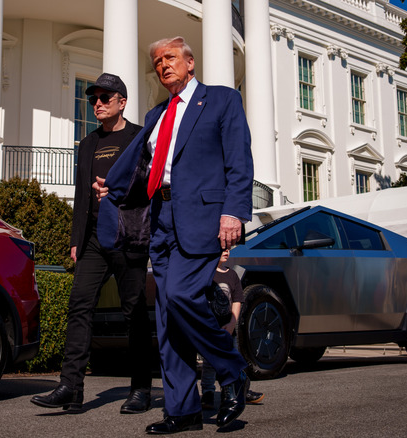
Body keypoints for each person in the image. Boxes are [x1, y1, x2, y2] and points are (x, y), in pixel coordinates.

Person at [94, 37, 254, 434]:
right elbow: (144, 167)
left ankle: (233, 370)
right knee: (168, 319)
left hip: (204, 217)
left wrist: (233, 211)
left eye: (169, 58)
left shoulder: (221, 100)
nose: (162, 65)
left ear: (190, 62)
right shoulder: (155, 115)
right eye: (156, 61)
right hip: (161, 221)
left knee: (182, 296)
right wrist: (113, 188)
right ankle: (183, 411)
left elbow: (239, 159)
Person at [30, 73, 153, 414]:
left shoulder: (139, 138)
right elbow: (81, 195)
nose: (97, 103)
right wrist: (76, 239)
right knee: (79, 306)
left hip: (128, 236)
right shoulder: (87, 144)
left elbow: (151, 184)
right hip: (94, 238)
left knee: (134, 312)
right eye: (93, 98)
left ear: (122, 102)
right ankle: (71, 386)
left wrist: (119, 191)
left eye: (105, 97)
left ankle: (141, 387)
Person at [200, 249, 264, 410]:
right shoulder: (206, 275)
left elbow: (237, 300)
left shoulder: (232, 275)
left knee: (233, 360)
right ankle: (207, 393)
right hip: (211, 329)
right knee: (209, 363)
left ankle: (236, 390)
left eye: (228, 248)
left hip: (228, 329)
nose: (226, 251)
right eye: (221, 248)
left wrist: (231, 323)